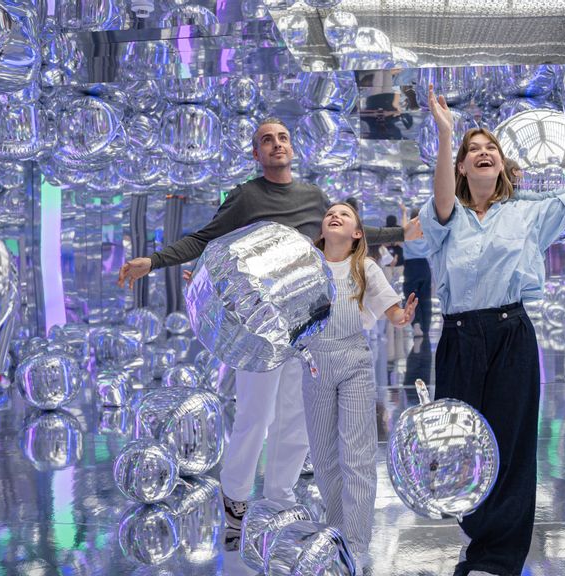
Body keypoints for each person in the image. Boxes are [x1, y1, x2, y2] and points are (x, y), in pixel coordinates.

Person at [116, 118, 420, 535]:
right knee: (255, 416)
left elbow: (353, 232)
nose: (277, 145)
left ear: (292, 148)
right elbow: (205, 239)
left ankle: (279, 498)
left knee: (296, 420)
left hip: (307, 324)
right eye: (267, 141)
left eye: (283, 138)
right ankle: (235, 498)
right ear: (256, 154)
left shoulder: (314, 197)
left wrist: (402, 233)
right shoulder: (245, 197)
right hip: (257, 328)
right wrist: (153, 261)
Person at [420, 86, 565, 576]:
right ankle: (476, 536)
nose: (482, 153)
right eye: (472, 151)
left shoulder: (528, 213)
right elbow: (438, 202)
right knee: (461, 443)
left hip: (510, 333)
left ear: (501, 165)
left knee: (512, 444)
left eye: (490, 149)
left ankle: (497, 559)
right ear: (460, 168)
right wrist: (445, 133)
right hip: (458, 338)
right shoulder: (446, 217)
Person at [302, 202, 417, 566]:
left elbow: (392, 311)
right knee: (323, 458)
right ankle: (337, 533)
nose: (335, 216)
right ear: (322, 229)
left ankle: (357, 543)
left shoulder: (364, 267)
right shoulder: (305, 268)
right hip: (314, 364)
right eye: (330, 213)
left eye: (345, 214)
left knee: (358, 456)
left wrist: (402, 317)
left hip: (354, 361)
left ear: (356, 234)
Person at [401, 206, 431, 338]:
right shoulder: (427, 231)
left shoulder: (407, 232)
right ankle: (426, 326)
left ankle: (416, 323)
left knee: (412, 297)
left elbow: (402, 228)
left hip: (410, 266)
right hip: (424, 265)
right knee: (425, 297)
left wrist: (403, 212)